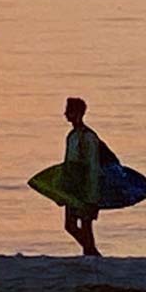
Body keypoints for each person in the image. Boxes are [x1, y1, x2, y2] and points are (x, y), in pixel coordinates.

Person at [60, 96, 102, 257]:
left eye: (68, 111)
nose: (65, 114)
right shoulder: (72, 135)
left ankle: (91, 255)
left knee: (86, 225)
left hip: (86, 188)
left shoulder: (89, 137)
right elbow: (68, 163)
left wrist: (92, 194)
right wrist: (63, 189)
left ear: (77, 113)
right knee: (70, 225)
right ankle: (92, 253)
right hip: (73, 188)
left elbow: (92, 166)